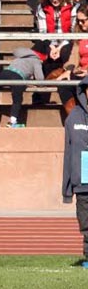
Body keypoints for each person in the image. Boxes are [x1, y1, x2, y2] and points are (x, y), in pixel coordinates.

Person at [0, 44, 49, 128]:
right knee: (17, 100)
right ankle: (12, 121)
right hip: (18, 77)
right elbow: (40, 79)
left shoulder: (19, 57)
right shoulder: (36, 61)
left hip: (6, 72)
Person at [62, 74, 88, 269]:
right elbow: (69, 152)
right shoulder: (74, 118)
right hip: (83, 181)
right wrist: (67, 188)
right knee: (86, 223)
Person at [56, 2, 88, 114]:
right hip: (80, 71)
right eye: (78, 20)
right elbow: (74, 55)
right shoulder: (80, 36)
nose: (80, 23)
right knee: (64, 84)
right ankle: (75, 118)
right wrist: (68, 70)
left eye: (83, 20)